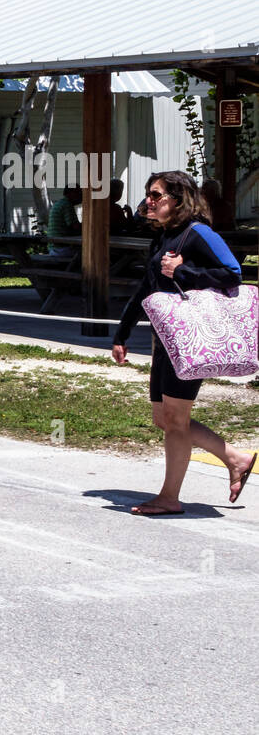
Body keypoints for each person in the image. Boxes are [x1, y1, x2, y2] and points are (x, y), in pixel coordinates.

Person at [111, 170, 255, 514]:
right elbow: (147, 287)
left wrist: (184, 272)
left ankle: (169, 498)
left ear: (178, 200)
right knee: (164, 418)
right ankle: (235, 458)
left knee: (175, 418)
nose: (149, 200)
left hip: (191, 339)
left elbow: (233, 273)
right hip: (165, 340)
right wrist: (123, 332)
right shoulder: (162, 237)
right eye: (149, 194)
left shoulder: (198, 233)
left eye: (156, 195)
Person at [46, 186, 83, 256]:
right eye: (78, 193)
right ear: (71, 193)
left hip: (53, 249)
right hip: (61, 250)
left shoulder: (59, 203)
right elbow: (76, 228)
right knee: (92, 251)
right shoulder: (67, 205)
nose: (81, 196)